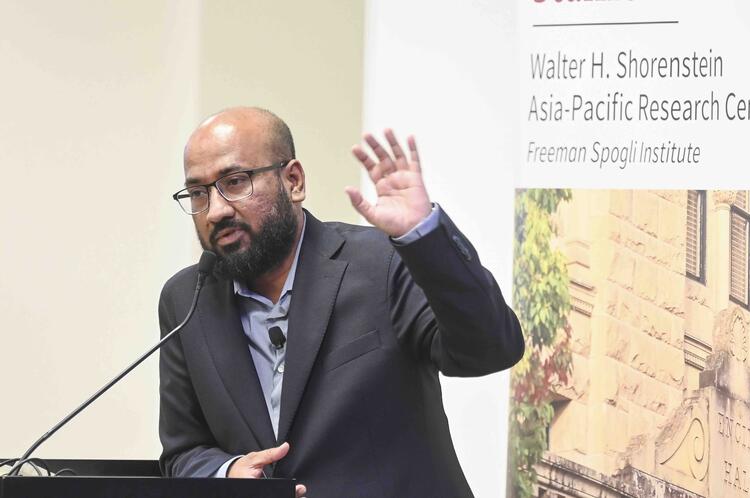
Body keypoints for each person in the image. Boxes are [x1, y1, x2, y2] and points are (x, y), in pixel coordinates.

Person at [158, 107, 524, 497]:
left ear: (293, 181)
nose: (215, 211)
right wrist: (226, 472)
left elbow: (491, 350)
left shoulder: (382, 262)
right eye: (198, 193)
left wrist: (424, 237)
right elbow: (184, 450)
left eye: (235, 182)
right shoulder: (186, 301)